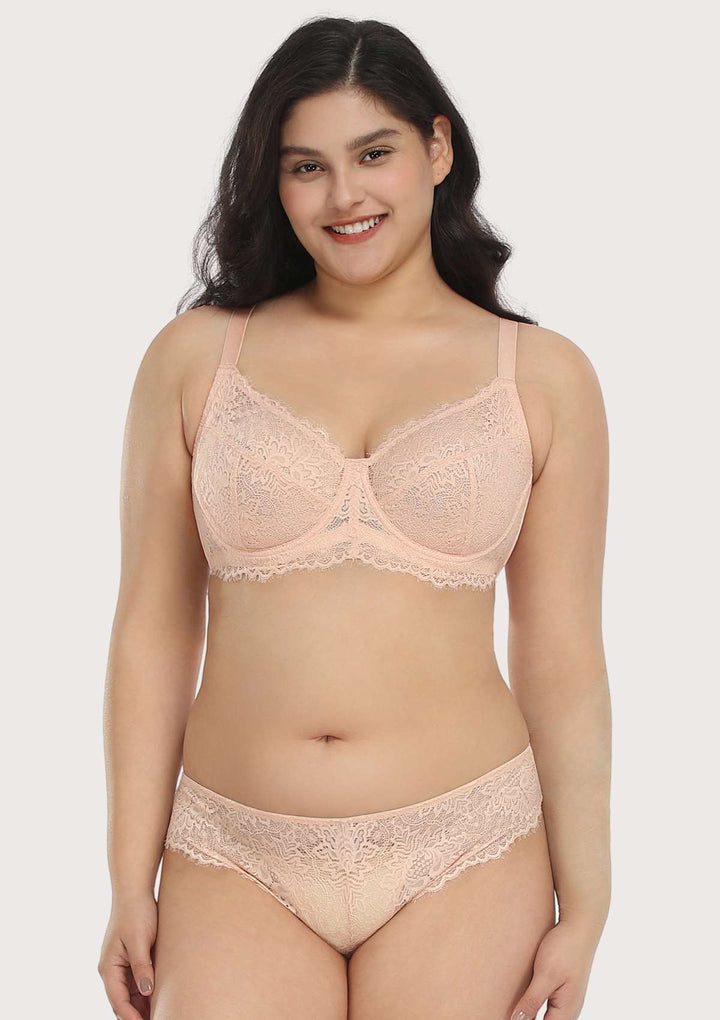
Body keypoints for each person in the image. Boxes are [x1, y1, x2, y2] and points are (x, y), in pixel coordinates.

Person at [98, 16, 611, 1020]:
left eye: (373, 153)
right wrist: (126, 877)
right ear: (274, 180)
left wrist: (588, 901)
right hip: (232, 856)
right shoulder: (195, 359)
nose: (344, 196)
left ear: (438, 148)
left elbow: (563, 653)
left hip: (469, 847)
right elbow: (151, 628)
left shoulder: (545, 378)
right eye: (307, 167)